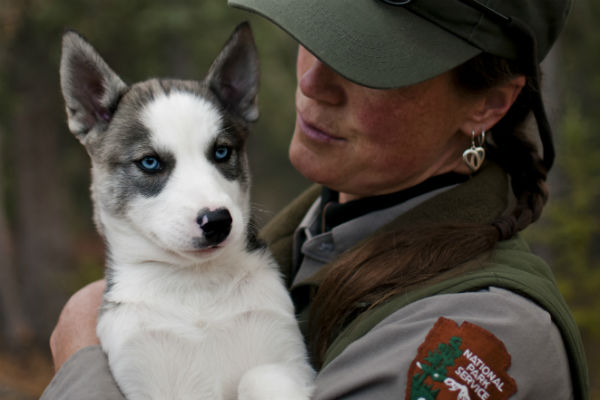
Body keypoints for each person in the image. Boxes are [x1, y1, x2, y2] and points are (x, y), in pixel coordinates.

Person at [42, 0, 589, 399]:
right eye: (323, 31)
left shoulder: (483, 329)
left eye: (371, 60)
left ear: (487, 104)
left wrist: (81, 362)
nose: (314, 81)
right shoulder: (298, 247)